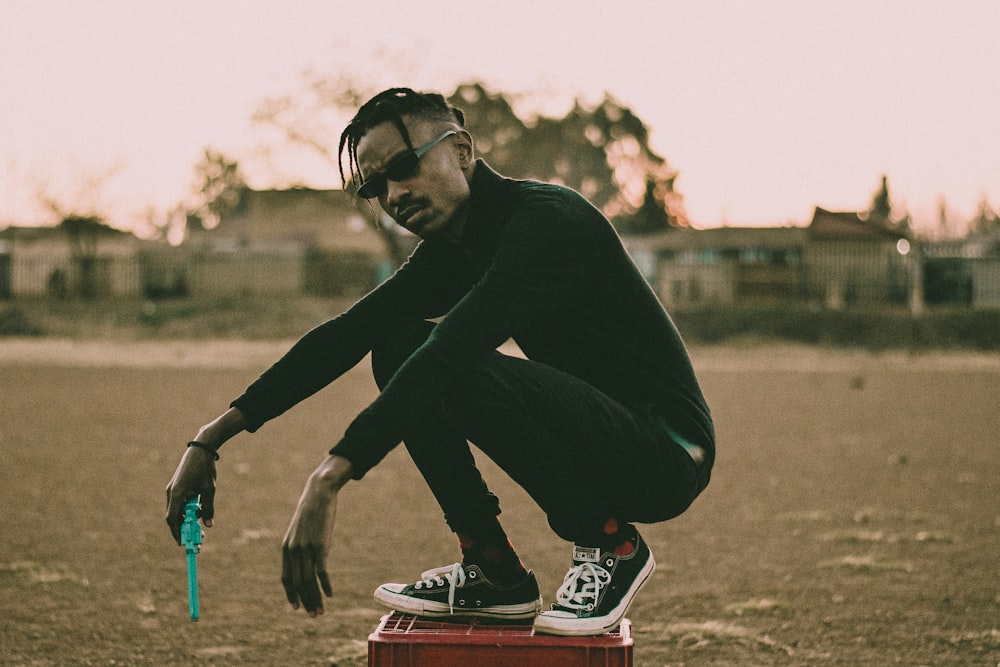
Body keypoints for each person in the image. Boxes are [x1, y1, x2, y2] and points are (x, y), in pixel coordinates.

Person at [165, 87, 714, 636]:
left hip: (663, 452)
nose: (395, 194)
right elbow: (345, 335)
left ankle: (612, 545)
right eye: (376, 186)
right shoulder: (457, 247)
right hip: (596, 440)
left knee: (445, 362)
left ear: (462, 151)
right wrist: (211, 437)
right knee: (397, 343)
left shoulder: (548, 221)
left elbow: (452, 351)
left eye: (404, 167)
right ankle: (494, 570)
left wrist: (330, 475)